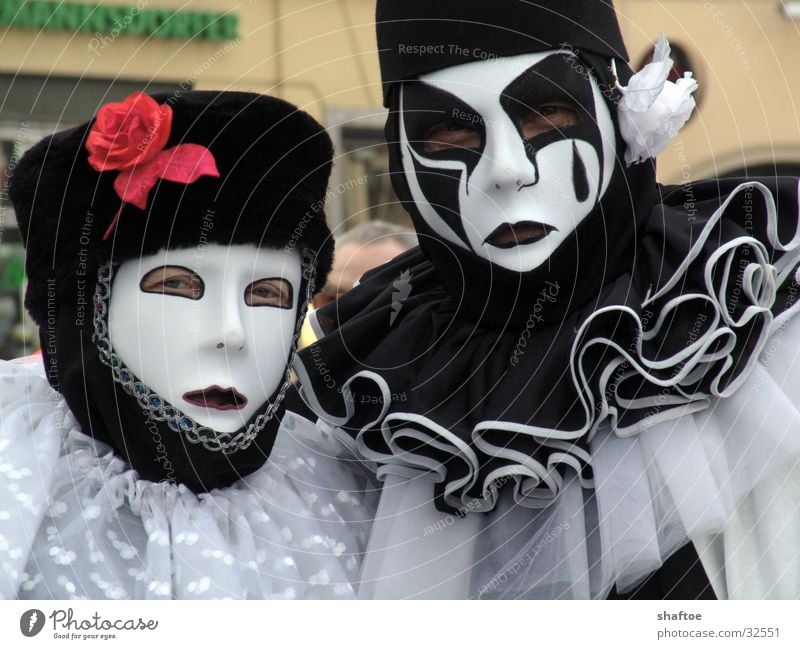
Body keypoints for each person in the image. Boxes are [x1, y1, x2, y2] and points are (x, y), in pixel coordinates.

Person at [293, 0, 800, 599]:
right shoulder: (370, 378)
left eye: (547, 115)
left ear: (615, 120)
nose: (507, 169)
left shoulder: (749, 310)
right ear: (402, 156)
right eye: (451, 131)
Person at [0, 90, 375, 599]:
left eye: (267, 293)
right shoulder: (18, 475)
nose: (231, 333)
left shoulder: (342, 491)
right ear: (85, 309)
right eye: (176, 285)